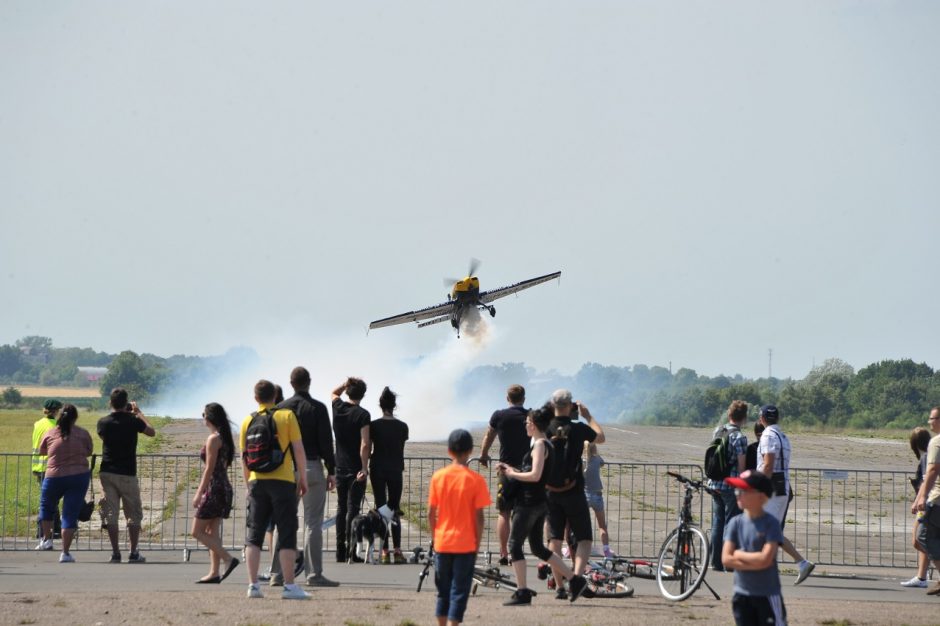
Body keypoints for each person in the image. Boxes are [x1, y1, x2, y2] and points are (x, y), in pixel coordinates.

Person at [497, 406, 587, 606]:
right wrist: (513, 469)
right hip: (540, 502)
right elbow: (535, 472)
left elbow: (535, 475)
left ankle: (522, 592)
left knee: (514, 545)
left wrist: (512, 474)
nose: (525, 424)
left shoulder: (539, 445)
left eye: (528, 422)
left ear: (535, 425)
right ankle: (575, 580)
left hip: (529, 503)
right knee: (538, 547)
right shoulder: (546, 444)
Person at [269, 366, 339, 587]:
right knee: (313, 523)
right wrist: (332, 470)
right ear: (309, 382)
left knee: (284, 522)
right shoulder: (317, 408)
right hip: (311, 466)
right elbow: (326, 442)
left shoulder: (279, 408)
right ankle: (313, 574)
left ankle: (276, 574)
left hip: (285, 469)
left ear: (291, 384)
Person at [241, 379, 310, 600]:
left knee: (254, 536)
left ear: (255, 398)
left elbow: (244, 457)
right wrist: (303, 478)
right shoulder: (287, 416)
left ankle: (253, 586)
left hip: (257, 481)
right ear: (275, 397)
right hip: (283, 480)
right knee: (287, 533)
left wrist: (248, 485)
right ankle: (289, 586)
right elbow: (298, 450)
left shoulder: (247, 421)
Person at [544, 389, 605, 599]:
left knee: (554, 540)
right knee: (584, 539)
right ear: (571, 406)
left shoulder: (545, 427)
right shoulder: (578, 428)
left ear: (553, 405)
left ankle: (560, 586)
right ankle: (577, 579)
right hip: (574, 491)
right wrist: (588, 416)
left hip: (550, 492)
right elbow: (601, 437)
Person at [428, 429, 491, 626]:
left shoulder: (439, 477)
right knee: (459, 590)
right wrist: (477, 542)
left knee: (443, 590)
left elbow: (431, 512)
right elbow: (479, 517)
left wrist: (434, 536)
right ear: (470, 451)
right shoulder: (475, 480)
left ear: (449, 451)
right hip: (465, 543)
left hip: (443, 542)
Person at [756, 404, 815, 585]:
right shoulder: (783, 436)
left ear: (762, 419)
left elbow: (768, 464)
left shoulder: (767, 435)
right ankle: (800, 563)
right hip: (782, 487)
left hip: (771, 488)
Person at [97, 388, 156, 564]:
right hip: (127, 473)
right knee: (133, 514)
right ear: (127, 404)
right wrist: (139, 413)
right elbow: (151, 432)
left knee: (111, 513)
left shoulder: (103, 423)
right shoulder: (133, 421)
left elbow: (103, 436)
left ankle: (115, 552)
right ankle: (133, 551)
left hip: (107, 471)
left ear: (110, 403)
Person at [721, 470, 787, 626]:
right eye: (737, 490)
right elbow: (726, 559)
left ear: (761, 496)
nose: (738, 494)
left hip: (767, 596)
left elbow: (765, 560)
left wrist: (738, 554)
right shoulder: (735, 523)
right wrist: (754, 560)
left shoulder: (771, 523)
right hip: (741, 594)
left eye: (744, 491)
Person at [478, 384, 529, 565]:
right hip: (526, 470)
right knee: (523, 513)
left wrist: (484, 455)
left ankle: (504, 552)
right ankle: (517, 550)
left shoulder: (499, 415)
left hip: (505, 469)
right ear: (523, 398)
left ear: (508, 399)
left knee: (504, 512)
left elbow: (489, 435)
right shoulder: (530, 416)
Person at [37, 403, 93, 563]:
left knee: (46, 507)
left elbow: (42, 450)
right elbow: (89, 451)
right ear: (75, 418)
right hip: (78, 476)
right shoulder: (82, 433)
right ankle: (65, 552)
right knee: (70, 513)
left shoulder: (50, 433)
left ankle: (46, 540)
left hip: (54, 476)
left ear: (60, 416)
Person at [190, 402, 238, 584]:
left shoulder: (213, 439)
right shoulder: (225, 437)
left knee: (197, 531)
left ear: (209, 418)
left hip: (215, 488)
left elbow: (209, 469)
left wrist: (199, 492)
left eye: (204, 414)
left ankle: (228, 558)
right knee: (213, 531)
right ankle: (214, 572)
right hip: (224, 487)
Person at [331, 377, 371, 563]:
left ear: (348, 391)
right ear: (363, 395)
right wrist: (364, 467)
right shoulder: (363, 414)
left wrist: (345, 383)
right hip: (355, 468)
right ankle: (350, 550)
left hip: (339, 465)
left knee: (341, 508)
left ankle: (340, 550)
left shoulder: (338, 408)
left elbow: (333, 393)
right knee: (353, 510)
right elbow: (365, 443)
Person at [707, 400, 749, 572]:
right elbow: (741, 466)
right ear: (744, 418)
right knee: (731, 524)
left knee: (717, 522)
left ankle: (714, 562)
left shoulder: (718, 431)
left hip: (714, 483)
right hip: (730, 486)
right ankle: (728, 562)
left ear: (729, 415)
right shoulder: (739, 437)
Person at [369, 386, 409, 564]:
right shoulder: (402, 427)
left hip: (377, 468)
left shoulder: (374, 426)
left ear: (380, 405)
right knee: (394, 509)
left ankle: (384, 550)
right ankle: (398, 550)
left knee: (381, 508)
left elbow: (369, 446)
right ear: (394, 406)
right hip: (395, 468)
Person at [913, 407, 940, 595]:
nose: (930, 421)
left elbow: (931, 471)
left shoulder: (936, 442)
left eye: (932, 418)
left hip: (937, 499)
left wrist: (921, 497)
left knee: (923, 536)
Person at [902, 426, 933, 588]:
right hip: (928, 502)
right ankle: (922, 575)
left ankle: (923, 574)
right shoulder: (929, 455)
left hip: (927, 503)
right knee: (921, 540)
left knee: (919, 539)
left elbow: (926, 480)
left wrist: (918, 500)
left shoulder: (927, 457)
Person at [32, 399, 63, 544]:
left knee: (48, 500)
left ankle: (54, 529)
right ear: (56, 411)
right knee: (49, 501)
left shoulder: (38, 424)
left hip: (38, 466)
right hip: (50, 466)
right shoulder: (55, 426)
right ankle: (47, 531)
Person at [583, 441, 614, 559]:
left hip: (584, 495)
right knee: (602, 526)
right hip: (597, 495)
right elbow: (602, 463)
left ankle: (576, 547)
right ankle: (606, 550)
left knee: (580, 525)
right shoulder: (597, 459)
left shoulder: (581, 461)